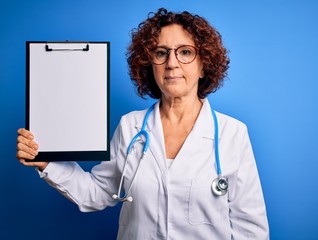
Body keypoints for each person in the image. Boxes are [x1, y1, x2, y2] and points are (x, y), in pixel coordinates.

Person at [16, 8, 269, 239]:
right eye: (161, 53)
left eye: (185, 52)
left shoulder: (232, 134)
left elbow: (251, 228)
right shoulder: (131, 127)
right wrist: (45, 161)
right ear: (150, 65)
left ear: (204, 65)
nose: (172, 63)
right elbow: (97, 192)